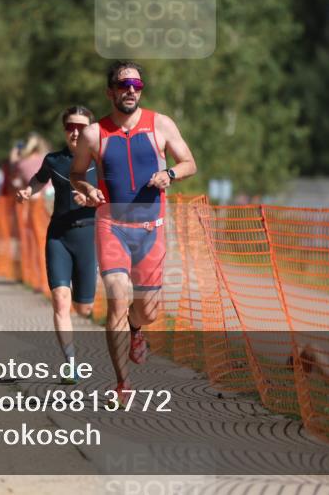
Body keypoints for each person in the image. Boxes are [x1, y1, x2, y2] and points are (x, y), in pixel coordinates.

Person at [70, 61, 196, 398]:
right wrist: (87, 188)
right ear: (110, 91)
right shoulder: (94, 133)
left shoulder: (161, 125)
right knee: (117, 300)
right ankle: (122, 384)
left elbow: (189, 163)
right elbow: (76, 173)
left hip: (151, 229)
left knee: (148, 311)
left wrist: (169, 175)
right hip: (112, 225)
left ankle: (136, 328)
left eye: (136, 86)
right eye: (124, 85)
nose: (130, 91)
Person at [17, 107, 98, 384]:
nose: (75, 131)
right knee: (60, 301)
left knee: (83, 309)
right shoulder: (54, 160)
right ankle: (71, 364)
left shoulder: (101, 160)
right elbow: (38, 180)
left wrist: (91, 201)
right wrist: (29, 191)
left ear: (91, 129)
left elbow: (114, 198)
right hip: (59, 236)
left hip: (89, 237)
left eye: (80, 126)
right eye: (69, 126)